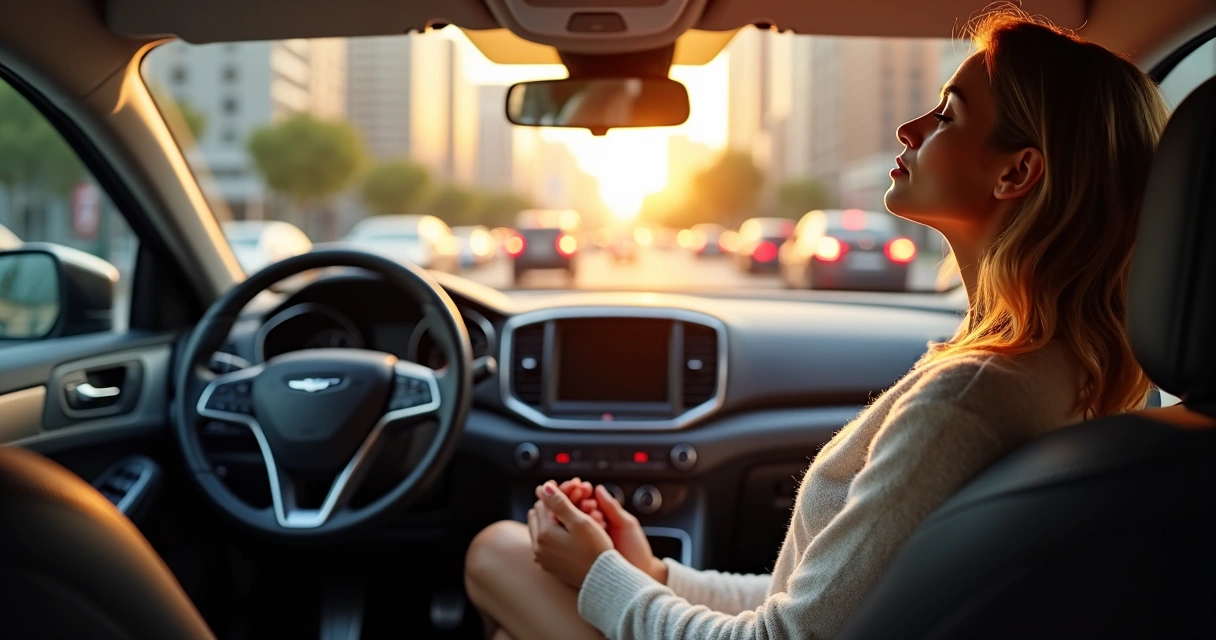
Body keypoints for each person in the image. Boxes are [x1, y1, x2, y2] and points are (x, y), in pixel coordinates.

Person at [464, 7, 1169, 640]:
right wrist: (650, 569)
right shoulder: (1090, 375)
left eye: (948, 116)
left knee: (498, 551)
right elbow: (815, 602)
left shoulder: (967, 402)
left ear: (1016, 173)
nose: (909, 129)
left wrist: (598, 573)